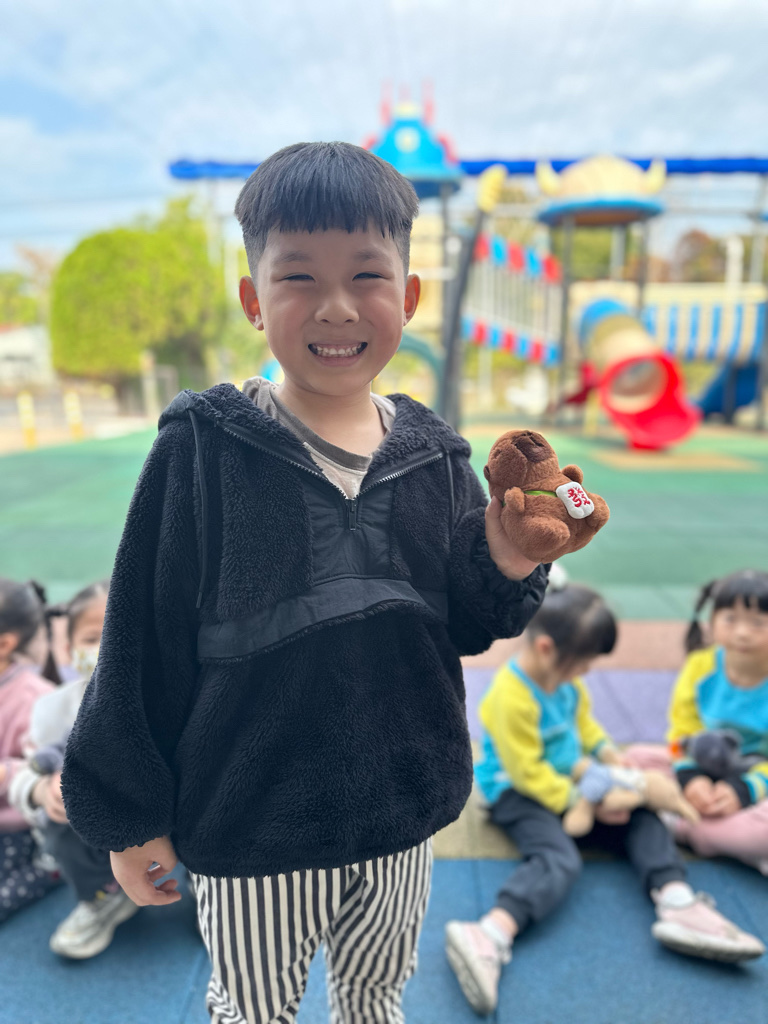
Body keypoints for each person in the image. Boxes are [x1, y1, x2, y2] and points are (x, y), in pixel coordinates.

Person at [62, 141, 550, 1023]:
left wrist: (510, 556)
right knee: (253, 1008)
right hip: (253, 821)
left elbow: (470, 620)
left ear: (409, 295)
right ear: (253, 300)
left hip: (401, 810)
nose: (336, 306)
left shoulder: (435, 455)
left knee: (375, 999)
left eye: (367, 275)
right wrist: (128, 814)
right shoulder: (203, 449)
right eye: (298, 277)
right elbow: (140, 635)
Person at [445, 584, 764, 1018]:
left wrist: (613, 760)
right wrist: (588, 802)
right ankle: (490, 931)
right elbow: (527, 772)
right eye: (583, 662)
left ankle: (676, 901)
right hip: (519, 794)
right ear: (546, 648)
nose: (586, 671)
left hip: (575, 783)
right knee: (558, 859)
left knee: (644, 816)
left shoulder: (566, 682)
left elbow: (587, 728)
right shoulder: (510, 697)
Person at [10, 580, 135, 956]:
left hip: (162, 813)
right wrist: (40, 791)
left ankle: (206, 885)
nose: (107, 646)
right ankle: (102, 894)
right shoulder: (52, 710)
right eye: (92, 638)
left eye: (120, 633)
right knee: (58, 828)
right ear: (68, 648)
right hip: (94, 818)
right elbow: (28, 770)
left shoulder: (171, 698)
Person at [661, 570, 768, 874]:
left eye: (758, 623)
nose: (742, 633)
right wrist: (691, 777)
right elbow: (682, 731)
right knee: (636, 759)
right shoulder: (701, 665)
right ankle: (734, 841)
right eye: (730, 619)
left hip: (758, 774)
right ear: (712, 620)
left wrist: (746, 789)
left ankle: (684, 826)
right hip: (705, 763)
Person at [0, 577, 59, 923]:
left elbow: (48, 771)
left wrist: (7, 772)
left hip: (17, 829)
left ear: (4, 644)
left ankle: (50, 867)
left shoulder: (35, 700)